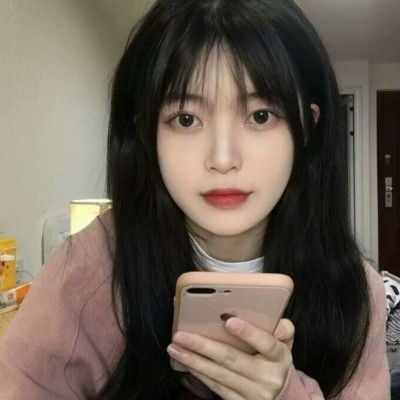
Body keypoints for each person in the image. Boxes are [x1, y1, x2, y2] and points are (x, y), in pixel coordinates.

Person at [0, 0, 389, 399]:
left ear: (306, 127)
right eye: (186, 119)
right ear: (147, 134)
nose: (222, 159)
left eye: (260, 116)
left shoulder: (357, 295)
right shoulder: (89, 270)